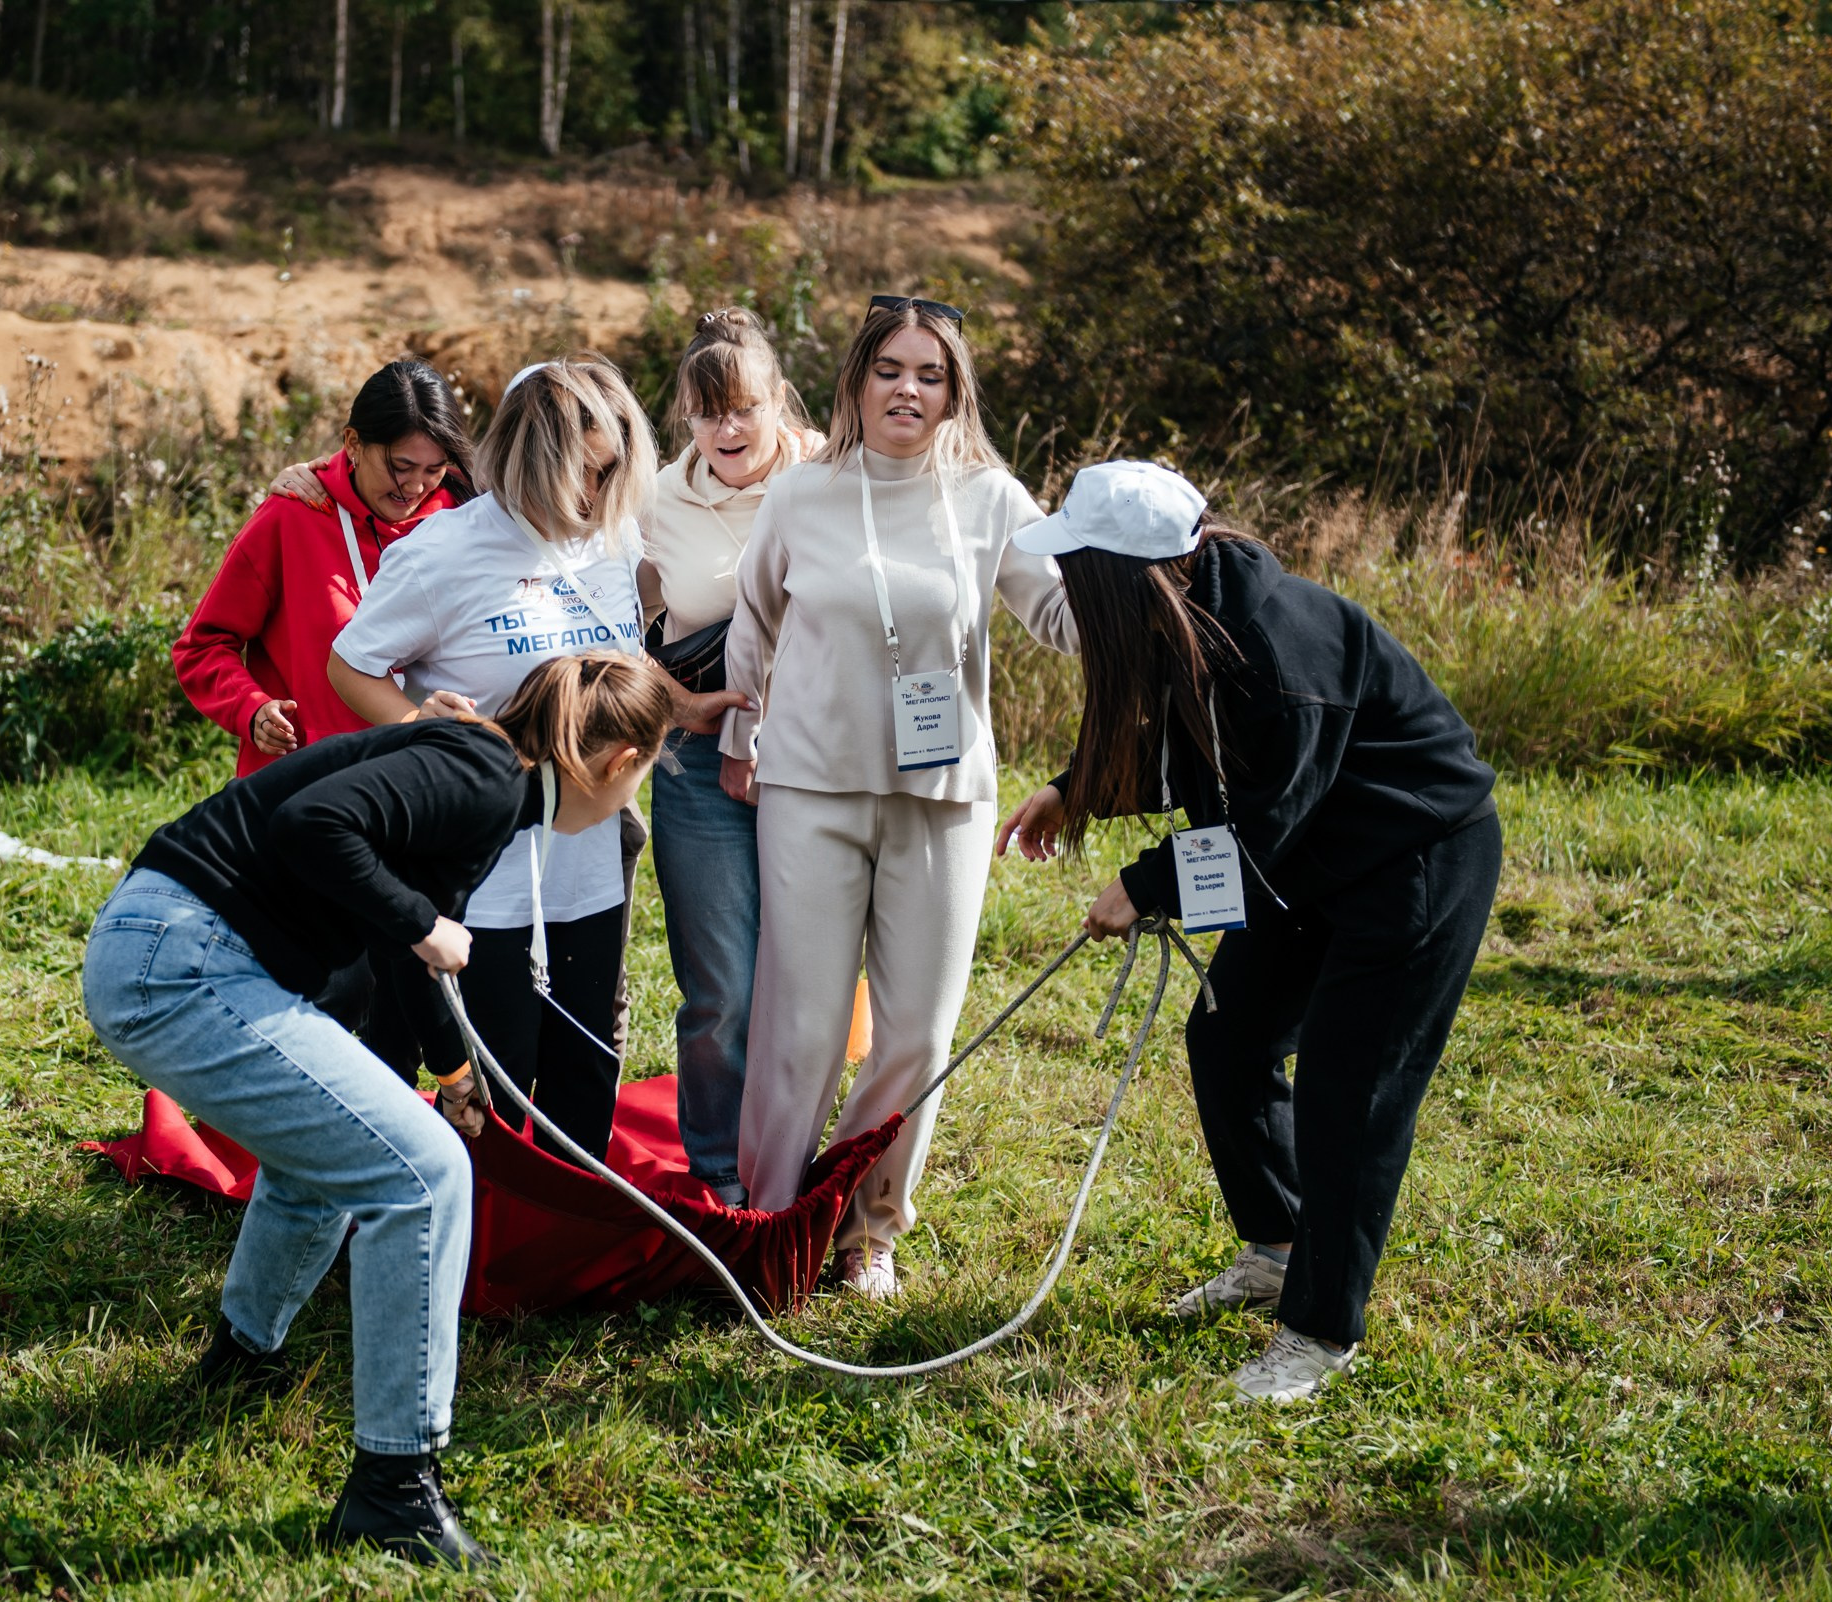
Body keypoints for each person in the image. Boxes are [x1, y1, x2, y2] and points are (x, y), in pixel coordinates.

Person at [80, 651, 671, 1565]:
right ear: (620, 761)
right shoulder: (482, 777)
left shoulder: (481, 773)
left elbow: (400, 945)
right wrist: (424, 920)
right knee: (424, 1175)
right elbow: (312, 825)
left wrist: (452, 1067)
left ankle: (240, 1365)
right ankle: (396, 1488)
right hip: (182, 963)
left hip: (169, 949)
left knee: (347, 1147)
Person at [995, 460, 1500, 1403]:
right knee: (1230, 1036)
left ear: (1123, 575)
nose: (1064, 582)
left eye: (1076, 568)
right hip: (1310, 861)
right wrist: (1079, 788)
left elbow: (1261, 822)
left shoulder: (1278, 652)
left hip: (1413, 861)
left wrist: (1145, 886)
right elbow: (1176, 742)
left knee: (1352, 1095)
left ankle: (1317, 1332)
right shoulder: (1183, 612)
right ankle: (1276, 1247)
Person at [723, 296, 1077, 1297]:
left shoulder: (993, 498)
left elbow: (1054, 613)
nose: (908, 389)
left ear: (954, 391)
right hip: (810, 787)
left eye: (930, 374)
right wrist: (742, 743)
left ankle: (868, 1228)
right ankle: (773, 1223)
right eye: (890, 370)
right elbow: (754, 623)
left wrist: (1131, 584)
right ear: (856, 382)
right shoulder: (802, 494)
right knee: (801, 1025)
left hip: (943, 793)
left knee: (918, 1029)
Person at [328, 356, 684, 1163]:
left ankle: (573, 1243)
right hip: (481, 873)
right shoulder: (442, 552)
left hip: (591, 857)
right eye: (584, 474)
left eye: (612, 474)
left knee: (588, 1058)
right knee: (497, 1071)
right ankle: (484, 1246)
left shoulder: (613, 542)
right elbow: (350, 665)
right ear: (533, 459)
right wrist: (425, 722)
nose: (598, 496)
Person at [640, 308, 824, 1207]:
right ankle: (718, 1171)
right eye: (707, 412)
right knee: (720, 990)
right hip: (700, 766)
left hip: (818, 766)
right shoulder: (653, 494)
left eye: (744, 407)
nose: (727, 430)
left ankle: (792, 1162)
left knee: (808, 979)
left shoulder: (834, 472)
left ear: (778, 401)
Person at [174, 359, 475, 778]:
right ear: (353, 442)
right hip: (306, 784)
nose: (415, 487)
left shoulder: (467, 518)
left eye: (433, 469)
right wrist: (252, 709)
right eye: (400, 467)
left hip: (426, 783)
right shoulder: (293, 518)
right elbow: (202, 646)